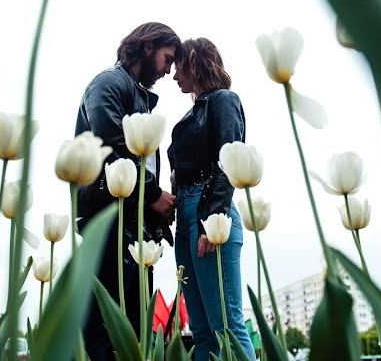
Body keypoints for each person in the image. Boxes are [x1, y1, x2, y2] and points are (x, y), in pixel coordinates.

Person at [76, 22, 180, 361]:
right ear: (148, 47)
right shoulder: (108, 83)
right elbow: (111, 146)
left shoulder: (138, 97)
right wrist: (153, 194)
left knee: (134, 326)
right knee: (106, 324)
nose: (168, 70)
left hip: (133, 222)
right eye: (168, 58)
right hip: (108, 216)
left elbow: (142, 161)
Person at [168, 37, 257, 360]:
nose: (175, 76)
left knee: (227, 325)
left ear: (193, 63)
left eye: (179, 67)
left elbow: (228, 159)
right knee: (201, 329)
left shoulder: (224, 101)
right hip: (185, 216)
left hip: (209, 211)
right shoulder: (192, 113)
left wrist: (213, 221)